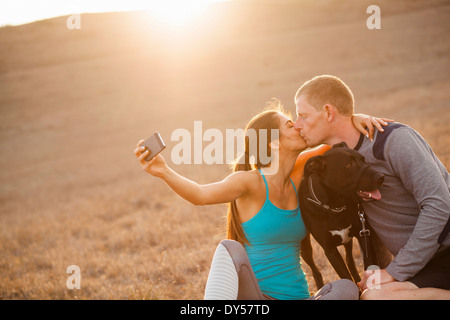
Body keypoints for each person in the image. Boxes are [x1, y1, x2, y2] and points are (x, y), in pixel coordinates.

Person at [133, 106, 386, 300]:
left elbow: (335, 138)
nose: (298, 127)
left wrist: (355, 118)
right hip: (257, 299)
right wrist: (163, 171)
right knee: (228, 249)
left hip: (300, 296)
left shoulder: (301, 174)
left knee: (345, 289)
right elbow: (200, 194)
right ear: (273, 142)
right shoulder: (250, 182)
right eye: (290, 125)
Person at [293, 74, 450, 300]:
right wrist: (352, 117)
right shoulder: (334, 162)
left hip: (444, 250)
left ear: (328, 112)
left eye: (303, 116)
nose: (297, 125)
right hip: (424, 265)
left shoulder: (394, 140)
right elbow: (278, 161)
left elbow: (439, 205)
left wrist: (396, 271)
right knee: (371, 295)